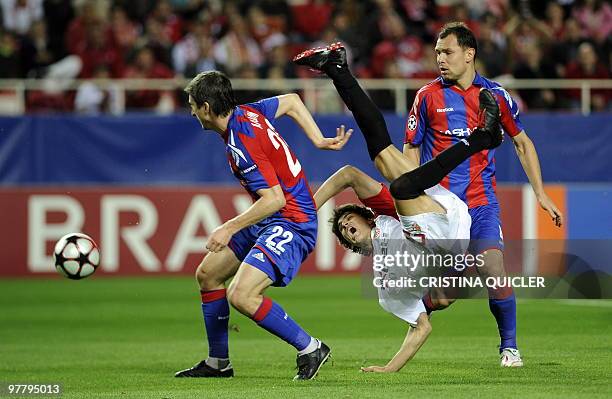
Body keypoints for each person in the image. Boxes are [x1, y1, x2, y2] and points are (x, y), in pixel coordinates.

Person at [294, 42, 503, 371]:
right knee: (397, 179)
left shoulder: (385, 221)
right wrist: (389, 369)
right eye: (345, 233)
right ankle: (482, 138)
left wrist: (303, 214)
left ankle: (337, 69)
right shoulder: (385, 293)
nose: (348, 228)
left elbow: (348, 174)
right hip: (444, 242)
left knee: (380, 152)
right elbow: (422, 326)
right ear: (350, 245)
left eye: (349, 221)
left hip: (438, 214)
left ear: (368, 218)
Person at [401, 22, 563, 366]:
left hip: (480, 203)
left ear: (469, 53)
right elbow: (410, 152)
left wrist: (541, 194)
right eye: (437, 53)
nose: (440, 59)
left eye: (448, 52)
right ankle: (415, 308)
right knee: (445, 296)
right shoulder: (426, 96)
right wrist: (411, 200)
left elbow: (522, 142)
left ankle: (510, 347)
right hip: (441, 209)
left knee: (493, 267)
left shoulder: (495, 96)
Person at [175, 71, 351, 380]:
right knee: (208, 275)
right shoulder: (248, 111)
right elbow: (293, 102)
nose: (190, 111)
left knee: (242, 295)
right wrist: (317, 139)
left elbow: (274, 199)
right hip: (272, 219)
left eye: (192, 104)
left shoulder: (241, 141)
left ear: (205, 107)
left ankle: (310, 348)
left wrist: (228, 227)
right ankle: (218, 363)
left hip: (293, 221)